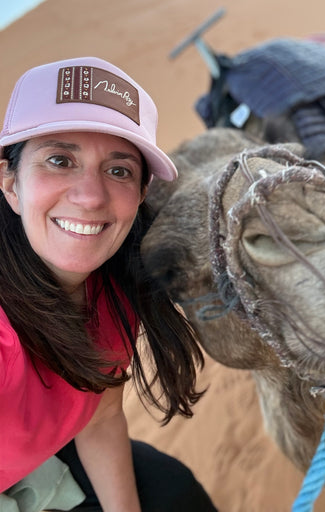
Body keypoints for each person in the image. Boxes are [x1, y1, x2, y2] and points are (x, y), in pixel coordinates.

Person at [0, 57, 218, 512]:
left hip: (35, 461)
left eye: (119, 170)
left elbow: (99, 418)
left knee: (171, 491)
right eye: (59, 160)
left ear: (140, 195)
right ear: (10, 182)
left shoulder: (113, 289)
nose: (91, 197)